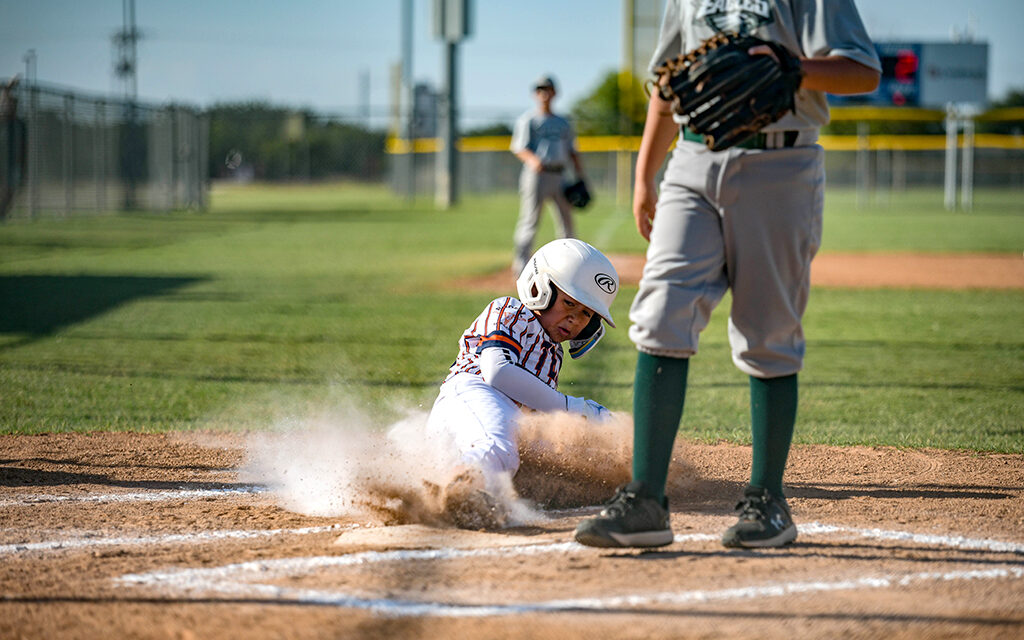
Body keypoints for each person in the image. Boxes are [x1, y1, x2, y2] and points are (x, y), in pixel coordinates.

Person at [574, 0, 881, 549]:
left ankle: (767, 500)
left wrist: (794, 66)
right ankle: (645, 499)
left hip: (781, 165)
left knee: (768, 331)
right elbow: (669, 85)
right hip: (691, 163)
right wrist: (646, 174)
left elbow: (863, 70)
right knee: (660, 314)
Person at [425, 238, 618, 524]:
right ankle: (460, 490)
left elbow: (535, 417)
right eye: (568, 303)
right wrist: (572, 407)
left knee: (558, 459)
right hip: (471, 395)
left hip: (497, 422)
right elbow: (497, 371)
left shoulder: (553, 356)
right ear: (540, 288)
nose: (574, 319)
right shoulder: (512, 312)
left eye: (585, 314)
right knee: (500, 446)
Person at [510, 75, 587, 275]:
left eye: (548, 88)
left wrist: (580, 177)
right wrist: (534, 160)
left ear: (555, 92)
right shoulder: (528, 120)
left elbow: (572, 150)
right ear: (535, 93)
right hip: (537, 176)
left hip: (560, 175)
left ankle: (570, 266)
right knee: (530, 219)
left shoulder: (563, 122)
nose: (544, 93)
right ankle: (521, 265)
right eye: (540, 89)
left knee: (566, 220)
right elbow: (519, 148)